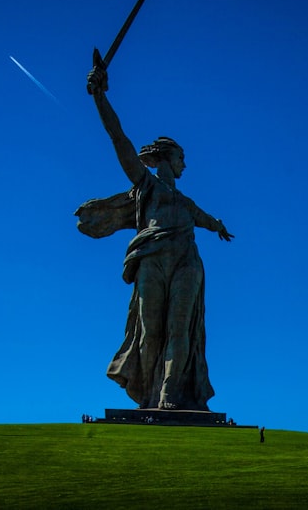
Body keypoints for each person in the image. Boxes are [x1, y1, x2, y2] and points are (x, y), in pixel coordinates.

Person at [77, 54, 234, 411]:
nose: (185, 165)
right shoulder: (146, 185)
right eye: (182, 158)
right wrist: (101, 97)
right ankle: (148, 396)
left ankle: (168, 396)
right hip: (151, 258)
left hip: (186, 261)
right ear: (167, 158)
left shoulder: (187, 203)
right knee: (150, 333)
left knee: (180, 330)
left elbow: (207, 219)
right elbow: (119, 139)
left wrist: (220, 227)